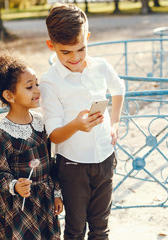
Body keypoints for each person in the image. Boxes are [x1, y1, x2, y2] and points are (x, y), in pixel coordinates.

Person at [40, 3, 125, 240]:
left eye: (81, 49)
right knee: (76, 230)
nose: (75, 58)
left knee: (101, 228)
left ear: (87, 38)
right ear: (52, 46)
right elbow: (54, 135)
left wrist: (116, 123)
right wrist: (76, 126)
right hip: (73, 167)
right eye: (65, 52)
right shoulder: (49, 82)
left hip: (106, 159)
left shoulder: (100, 66)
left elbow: (119, 88)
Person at [0, 53, 63, 240]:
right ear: (9, 95)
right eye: (29, 87)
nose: (37, 90)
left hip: (44, 200)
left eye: (36, 84)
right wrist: (15, 185)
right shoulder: (2, 135)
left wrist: (57, 193)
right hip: (18, 206)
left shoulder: (42, 123)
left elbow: (50, 163)